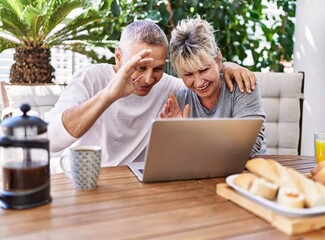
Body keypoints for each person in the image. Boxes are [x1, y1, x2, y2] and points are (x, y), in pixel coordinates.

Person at [47, 20, 258, 167]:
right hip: (86, 179)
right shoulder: (90, 78)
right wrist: (109, 95)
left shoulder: (171, 88)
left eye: (157, 69)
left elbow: (198, 79)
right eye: (139, 68)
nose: (149, 80)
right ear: (119, 57)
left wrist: (227, 67)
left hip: (136, 184)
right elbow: (52, 141)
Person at [159, 16, 266, 156]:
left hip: (247, 170)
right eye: (188, 74)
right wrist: (173, 136)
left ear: (218, 59)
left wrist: (188, 140)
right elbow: (172, 156)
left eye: (204, 70)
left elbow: (250, 143)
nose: (198, 83)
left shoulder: (242, 85)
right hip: (199, 174)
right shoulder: (179, 99)